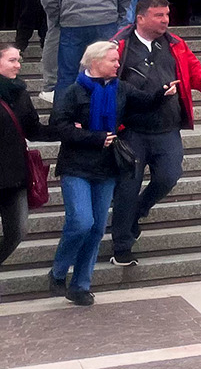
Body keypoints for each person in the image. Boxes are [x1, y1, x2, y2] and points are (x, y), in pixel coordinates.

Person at [110, 0, 201, 267]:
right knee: (126, 188)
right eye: (159, 16)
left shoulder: (176, 43)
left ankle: (139, 210)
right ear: (141, 17)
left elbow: (193, 68)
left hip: (167, 128)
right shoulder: (120, 44)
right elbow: (100, 74)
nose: (165, 21)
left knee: (169, 176)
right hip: (130, 131)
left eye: (167, 15)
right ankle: (121, 246)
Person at [48, 40, 122, 306]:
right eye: (112, 60)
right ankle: (58, 271)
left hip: (106, 169)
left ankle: (80, 285)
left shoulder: (119, 90)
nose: (117, 64)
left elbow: (144, 103)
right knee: (81, 222)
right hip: (76, 167)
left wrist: (162, 93)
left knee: (96, 229)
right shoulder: (72, 92)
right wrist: (92, 137)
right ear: (95, 62)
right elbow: (60, 127)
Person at [42, 0, 132, 103]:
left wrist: (58, 18)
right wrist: (119, 14)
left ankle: (61, 117)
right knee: (106, 71)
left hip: (72, 24)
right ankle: (105, 115)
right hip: (106, 22)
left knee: (67, 74)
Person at [0, 41, 52, 268]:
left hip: (15, 178)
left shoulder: (19, 93)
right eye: (12, 60)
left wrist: (67, 130)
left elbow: (33, 129)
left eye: (19, 60)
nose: (18, 65)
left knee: (18, 232)